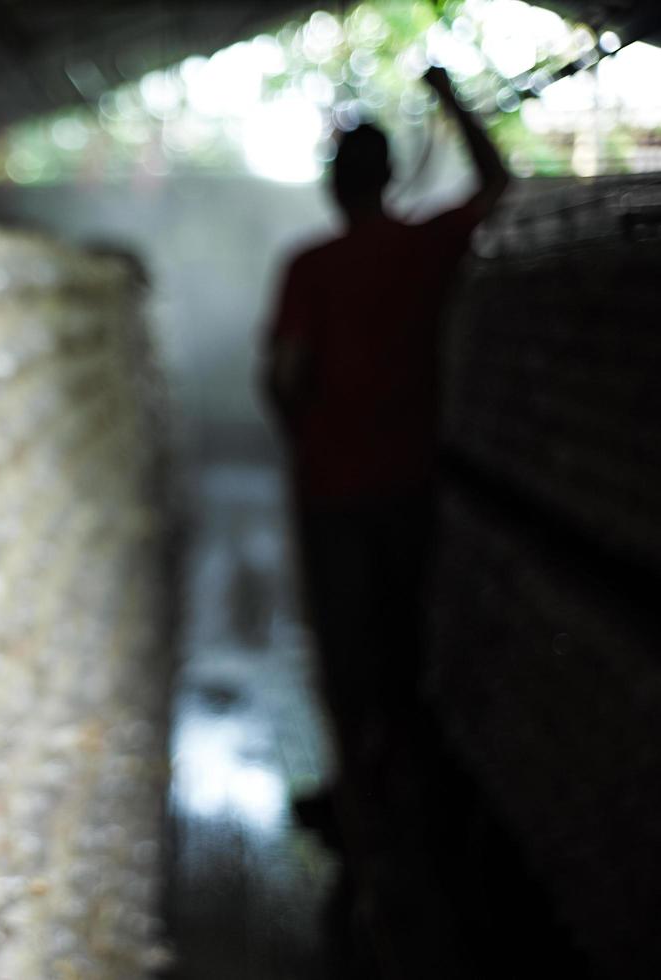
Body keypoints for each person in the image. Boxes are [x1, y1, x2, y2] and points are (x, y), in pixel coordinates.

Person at [261, 67, 509, 834]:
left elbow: (285, 374)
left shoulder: (311, 266)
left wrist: (300, 434)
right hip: (408, 480)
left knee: (346, 647)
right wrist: (449, 97)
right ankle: (402, 793)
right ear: (390, 177)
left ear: (336, 188)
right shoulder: (425, 249)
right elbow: (499, 182)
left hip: (332, 485)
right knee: (402, 642)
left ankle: (358, 797)